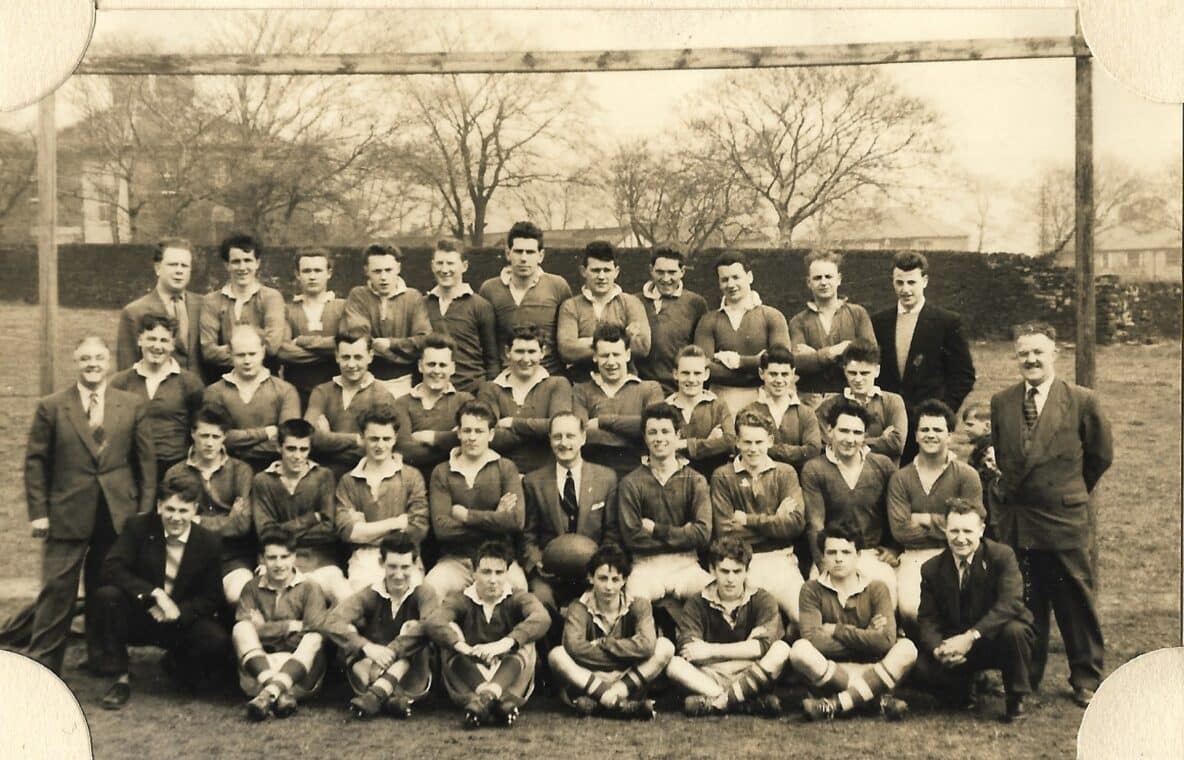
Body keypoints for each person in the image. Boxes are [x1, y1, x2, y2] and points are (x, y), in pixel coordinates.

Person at [989, 322, 1112, 707]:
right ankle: (1029, 676)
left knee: (1075, 599)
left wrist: (1070, 491)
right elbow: (1006, 459)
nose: (1031, 360)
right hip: (1019, 520)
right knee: (1026, 602)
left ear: (1055, 354)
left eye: (1038, 352)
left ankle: (1086, 677)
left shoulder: (1081, 400)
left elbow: (1100, 456)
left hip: (1063, 518)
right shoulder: (1002, 402)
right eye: (1023, 353)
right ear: (1015, 357)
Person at [21, 336, 156, 676]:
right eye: (85, 359)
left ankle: (104, 659)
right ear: (75, 361)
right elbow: (36, 463)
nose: (93, 364)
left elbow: (146, 465)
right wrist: (38, 513)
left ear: (109, 360)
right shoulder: (52, 406)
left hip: (116, 514)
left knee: (106, 589)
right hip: (68, 513)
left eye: (98, 357)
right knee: (57, 590)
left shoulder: (131, 404)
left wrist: (142, 513)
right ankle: (43, 666)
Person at [89, 470, 229, 709]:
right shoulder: (138, 527)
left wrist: (178, 612)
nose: (176, 517)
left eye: (183, 510)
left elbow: (212, 597)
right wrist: (153, 594)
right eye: (170, 509)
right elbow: (111, 567)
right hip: (142, 613)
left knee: (215, 641)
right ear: (159, 506)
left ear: (195, 510)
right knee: (106, 597)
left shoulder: (209, 542)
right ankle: (121, 676)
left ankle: (175, 664)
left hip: (179, 619)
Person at [914, 498, 1035, 723]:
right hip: (957, 643)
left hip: (993, 636)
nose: (961, 538)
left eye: (968, 531)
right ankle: (963, 688)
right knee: (922, 668)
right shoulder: (931, 569)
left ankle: (1015, 699)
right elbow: (927, 619)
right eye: (954, 531)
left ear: (981, 529)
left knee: (1015, 631)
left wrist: (971, 637)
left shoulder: (1002, 556)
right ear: (945, 531)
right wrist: (939, 649)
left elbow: (1011, 603)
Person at [788, 523, 917, 722]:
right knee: (799, 650)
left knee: (907, 648)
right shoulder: (811, 589)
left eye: (846, 552)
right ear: (822, 556)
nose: (838, 558)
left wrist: (836, 630)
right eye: (831, 552)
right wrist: (866, 636)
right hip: (835, 669)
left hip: (872, 666)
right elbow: (813, 639)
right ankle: (874, 699)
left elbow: (886, 641)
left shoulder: (877, 588)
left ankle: (834, 704)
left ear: (858, 555)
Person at [425, 539, 551, 729]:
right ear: (474, 572)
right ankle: (493, 701)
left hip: (509, 677)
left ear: (507, 573)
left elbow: (542, 618)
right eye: (486, 572)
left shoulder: (517, 597)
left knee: (526, 638)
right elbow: (434, 621)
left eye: (499, 572)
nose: (493, 580)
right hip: (470, 679)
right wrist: (464, 647)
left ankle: (487, 696)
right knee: (449, 636)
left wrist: (504, 644)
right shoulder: (461, 599)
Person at [547, 543, 675, 720]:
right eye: (602, 578)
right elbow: (574, 647)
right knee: (557, 655)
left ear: (624, 581)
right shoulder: (578, 607)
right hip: (591, 675)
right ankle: (619, 704)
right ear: (591, 578)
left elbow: (646, 646)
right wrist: (626, 653)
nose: (609, 586)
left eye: (615, 579)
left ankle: (604, 699)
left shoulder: (639, 604)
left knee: (665, 647)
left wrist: (603, 643)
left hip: (627, 678)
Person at [666, 537, 790, 717]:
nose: (730, 579)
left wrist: (710, 651)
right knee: (673, 664)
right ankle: (742, 702)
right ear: (712, 570)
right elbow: (688, 651)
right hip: (711, 675)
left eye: (737, 571)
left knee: (782, 650)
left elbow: (760, 647)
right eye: (724, 571)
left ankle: (718, 702)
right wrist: (741, 651)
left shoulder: (763, 599)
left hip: (749, 671)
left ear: (747, 571)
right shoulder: (697, 602)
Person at [871, 251, 976, 463]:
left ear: (925, 281)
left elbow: (964, 375)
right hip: (888, 425)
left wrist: (941, 413)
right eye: (899, 282)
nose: (905, 289)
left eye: (912, 282)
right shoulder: (879, 321)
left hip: (926, 426)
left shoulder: (946, 322)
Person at [320, 535, 438, 720]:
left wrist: (392, 651)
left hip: (411, 675)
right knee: (353, 644)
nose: (398, 575)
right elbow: (332, 621)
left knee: (416, 628)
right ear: (381, 563)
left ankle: (378, 694)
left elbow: (430, 625)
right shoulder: (370, 593)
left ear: (415, 565)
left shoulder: (424, 593)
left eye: (405, 567)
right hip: (371, 668)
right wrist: (368, 647)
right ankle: (388, 698)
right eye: (392, 566)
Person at [887, 399, 983, 624]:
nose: (931, 435)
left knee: (961, 609)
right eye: (925, 429)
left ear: (949, 435)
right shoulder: (901, 478)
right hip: (914, 556)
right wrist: (949, 523)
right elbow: (900, 530)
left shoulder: (966, 475)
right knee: (911, 609)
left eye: (938, 430)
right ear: (916, 435)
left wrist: (924, 518)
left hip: (956, 552)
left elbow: (973, 525)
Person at [710, 405, 806, 623]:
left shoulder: (786, 472)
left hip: (782, 560)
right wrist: (776, 519)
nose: (753, 449)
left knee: (804, 619)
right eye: (747, 442)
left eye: (759, 442)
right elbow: (726, 533)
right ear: (737, 442)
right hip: (744, 563)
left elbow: (796, 525)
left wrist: (748, 521)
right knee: (749, 625)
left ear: (770, 441)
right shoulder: (722, 476)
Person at [521, 413, 620, 622]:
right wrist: (537, 562)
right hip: (550, 573)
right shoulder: (533, 481)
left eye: (570, 436)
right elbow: (528, 533)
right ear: (549, 439)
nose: (564, 443)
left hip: (592, 570)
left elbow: (612, 532)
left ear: (583, 437)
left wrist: (599, 566)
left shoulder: (606, 478)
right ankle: (552, 650)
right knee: (540, 600)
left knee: (604, 599)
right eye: (557, 437)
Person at [800, 400, 899, 605]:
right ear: (830, 431)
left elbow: (896, 512)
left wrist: (894, 548)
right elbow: (815, 524)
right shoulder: (814, 469)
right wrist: (824, 564)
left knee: (887, 597)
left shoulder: (882, 465)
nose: (850, 439)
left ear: (865, 435)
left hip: (871, 553)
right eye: (843, 431)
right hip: (832, 553)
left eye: (857, 433)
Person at [426, 401, 529, 597]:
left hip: (499, 561)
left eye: (479, 431)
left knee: (519, 587)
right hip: (457, 561)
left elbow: (516, 521)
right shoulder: (442, 471)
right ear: (458, 433)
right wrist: (496, 518)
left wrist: (466, 516)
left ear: (490, 434)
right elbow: (443, 529)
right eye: (467, 431)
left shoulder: (506, 468)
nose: (472, 437)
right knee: (431, 587)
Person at [616, 402, 712, 602]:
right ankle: (648, 635)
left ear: (677, 436)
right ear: (644, 437)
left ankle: (691, 635)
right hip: (646, 565)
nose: (659, 438)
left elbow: (702, 534)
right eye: (652, 432)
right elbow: (632, 537)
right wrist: (683, 532)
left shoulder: (695, 480)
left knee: (713, 595)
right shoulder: (631, 482)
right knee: (634, 600)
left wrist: (656, 529)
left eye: (665, 431)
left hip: (687, 564)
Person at [233, 526, 329, 721]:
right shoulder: (251, 587)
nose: (279, 564)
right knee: (241, 628)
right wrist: (291, 626)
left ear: (294, 557)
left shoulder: (310, 588)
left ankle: (268, 693)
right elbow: (245, 629)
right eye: (272, 557)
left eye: (284, 557)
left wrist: (262, 629)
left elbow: (311, 631)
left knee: (315, 637)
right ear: (261, 559)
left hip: (300, 674)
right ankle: (275, 691)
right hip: (260, 669)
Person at [251, 418, 350, 605]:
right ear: (279, 448)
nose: (297, 456)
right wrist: (312, 518)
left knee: (346, 598)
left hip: (320, 561)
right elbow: (266, 534)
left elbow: (329, 529)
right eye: (291, 449)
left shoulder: (323, 476)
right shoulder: (263, 480)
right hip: (277, 561)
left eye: (303, 449)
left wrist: (281, 529)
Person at [164, 403, 256, 604]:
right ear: (193, 434)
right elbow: (172, 525)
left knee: (240, 595)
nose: (209, 443)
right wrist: (227, 519)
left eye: (216, 437)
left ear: (224, 437)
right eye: (204, 436)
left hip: (231, 558)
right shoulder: (175, 473)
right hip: (188, 558)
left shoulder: (241, 471)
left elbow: (241, 526)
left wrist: (195, 520)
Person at [335, 404, 429, 590]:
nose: (380, 445)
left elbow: (418, 529)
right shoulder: (348, 480)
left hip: (404, 556)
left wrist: (365, 530)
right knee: (361, 605)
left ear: (395, 439)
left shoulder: (411, 476)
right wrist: (396, 523)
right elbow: (348, 533)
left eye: (386, 439)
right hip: (364, 559)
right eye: (374, 439)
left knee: (412, 601)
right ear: (362, 438)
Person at [693, 251, 790, 414]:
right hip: (721, 397)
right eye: (724, 279)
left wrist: (738, 362)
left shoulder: (772, 316)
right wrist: (757, 363)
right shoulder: (709, 320)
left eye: (736, 277)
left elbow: (780, 362)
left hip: (763, 396)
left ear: (749, 277)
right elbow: (704, 368)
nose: (730, 284)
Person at [110, 313, 206, 478]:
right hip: (133, 469)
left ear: (172, 345)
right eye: (151, 339)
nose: (157, 346)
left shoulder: (189, 383)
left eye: (164, 341)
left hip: (175, 468)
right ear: (140, 340)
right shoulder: (121, 382)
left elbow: (199, 428)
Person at [477, 323, 573, 476]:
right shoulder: (490, 389)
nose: (526, 358)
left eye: (532, 352)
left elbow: (560, 428)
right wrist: (539, 430)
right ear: (508, 352)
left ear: (543, 352)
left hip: (546, 477)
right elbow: (489, 437)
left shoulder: (557, 385)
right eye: (519, 351)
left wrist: (513, 423)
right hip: (501, 476)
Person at [479, 221, 573, 376]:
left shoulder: (558, 286)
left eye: (530, 252)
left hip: (549, 378)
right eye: (518, 251)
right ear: (508, 253)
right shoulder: (489, 289)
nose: (523, 258)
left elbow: (565, 337)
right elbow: (487, 344)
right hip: (505, 380)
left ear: (540, 255)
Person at [202, 325, 301, 472]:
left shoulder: (285, 390)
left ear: (263, 351)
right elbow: (214, 439)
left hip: (273, 471)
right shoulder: (215, 392)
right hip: (226, 471)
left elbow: (288, 442)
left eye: (252, 354)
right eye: (240, 355)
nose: (247, 361)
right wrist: (266, 433)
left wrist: (237, 446)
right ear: (230, 354)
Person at [572, 324, 664, 480]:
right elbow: (580, 433)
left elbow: (654, 427)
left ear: (627, 355)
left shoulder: (649, 388)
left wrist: (602, 421)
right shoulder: (581, 390)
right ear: (595, 356)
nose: (611, 362)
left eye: (616, 354)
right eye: (604, 355)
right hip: (593, 473)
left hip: (637, 473)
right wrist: (633, 433)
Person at [342, 242, 432, 397]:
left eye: (388, 270)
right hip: (366, 379)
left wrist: (390, 344)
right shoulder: (358, 295)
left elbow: (423, 340)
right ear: (366, 271)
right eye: (377, 271)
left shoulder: (413, 297)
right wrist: (401, 354)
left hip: (405, 381)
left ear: (398, 268)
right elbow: (360, 339)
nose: (383, 277)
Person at [788, 250, 877, 407]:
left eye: (828, 277)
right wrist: (834, 351)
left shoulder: (857, 314)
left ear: (839, 279)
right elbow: (797, 363)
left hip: (850, 398)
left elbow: (869, 355)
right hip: (810, 400)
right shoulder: (798, 321)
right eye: (817, 278)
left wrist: (815, 356)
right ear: (809, 282)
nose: (823, 282)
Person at [304, 329, 396, 476]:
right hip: (323, 474)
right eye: (346, 357)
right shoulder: (321, 391)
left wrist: (328, 439)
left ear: (370, 357)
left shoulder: (381, 394)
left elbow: (376, 448)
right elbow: (308, 438)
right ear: (336, 357)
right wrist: (356, 439)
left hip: (365, 475)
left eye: (358, 357)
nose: (351, 364)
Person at [557, 240, 651, 382]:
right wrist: (623, 338)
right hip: (581, 384)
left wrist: (584, 343)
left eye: (607, 270)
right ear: (583, 271)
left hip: (624, 384)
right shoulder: (570, 306)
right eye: (595, 270)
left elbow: (642, 346)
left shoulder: (631, 303)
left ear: (616, 272)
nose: (601, 277)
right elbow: (567, 350)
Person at [200, 233, 286, 382]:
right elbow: (208, 351)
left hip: (265, 382)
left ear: (257, 263)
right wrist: (254, 349)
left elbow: (272, 346)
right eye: (236, 262)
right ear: (227, 265)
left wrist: (228, 349)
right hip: (222, 381)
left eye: (247, 260)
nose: (242, 267)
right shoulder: (211, 301)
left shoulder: (271, 298)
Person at [115, 237, 204, 373]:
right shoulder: (134, 312)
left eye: (184, 265)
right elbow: (126, 372)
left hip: (201, 392)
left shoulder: (204, 305)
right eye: (173, 265)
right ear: (158, 268)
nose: (179, 271)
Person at [391, 333, 473, 480]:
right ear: (420, 366)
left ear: (452, 368)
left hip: (455, 481)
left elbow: (475, 442)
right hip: (415, 482)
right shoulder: (402, 404)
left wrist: (433, 438)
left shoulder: (464, 401)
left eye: (442, 365)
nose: (436, 371)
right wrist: (453, 440)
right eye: (431, 364)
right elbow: (406, 452)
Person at [424, 239, 500, 393]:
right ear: (432, 265)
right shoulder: (422, 304)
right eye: (440, 263)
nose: (444, 270)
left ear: (464, 266)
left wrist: (488, 395)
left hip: (471, 392)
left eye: (451, 263)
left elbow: (492, 359)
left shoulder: (481, 306)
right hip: (433, 391)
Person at [815, 340, 908, 464]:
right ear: (844, 370)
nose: (858, 379)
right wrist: (880, 439)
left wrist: (844, 441)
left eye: (865, 373)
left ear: (877, 371)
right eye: (852, 373)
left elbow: (896, 444)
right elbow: (824, 446)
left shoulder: (893, 402)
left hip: (884, 476)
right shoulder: (829, 405)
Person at [634, 247, 708, 395]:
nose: (666, 279)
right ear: (651, 270)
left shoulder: (696, 303)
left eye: (672, 272)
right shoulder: (634, 301)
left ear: (682, 272)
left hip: (680, 389)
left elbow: (700, 352)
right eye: (660, 272)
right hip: (641, 389)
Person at [277, 248, 345, 406]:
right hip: (296, 393)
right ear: (297, 274)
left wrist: (301, 340)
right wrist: (330, 352)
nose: (312, 276)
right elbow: (283, 351)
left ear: (329, 273)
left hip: (336, 393)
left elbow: (345, 345)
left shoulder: (343, 307)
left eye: (318, 270)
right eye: (306, 271)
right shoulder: (287, 310)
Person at [666, 345, 735, 479]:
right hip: (674, 480)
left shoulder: (718, 405)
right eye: (685, 373)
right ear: (675, 374)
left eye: (697, 373)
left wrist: (684, 444)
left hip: (711, 479)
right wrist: (709, 444)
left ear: (706, 374)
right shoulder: (665, 408)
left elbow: (729, 442)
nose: (691, 379)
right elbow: (663, 448)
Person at [750, 345, 821, 473]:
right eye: (773, 374)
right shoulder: (750, 411)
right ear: (762, 373)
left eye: (784, 374)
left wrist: (770, 449)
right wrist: (795, 451)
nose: (779, 380)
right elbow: (744, 448)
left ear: (792, 374)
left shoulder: (805, 413)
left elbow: (813, 449)